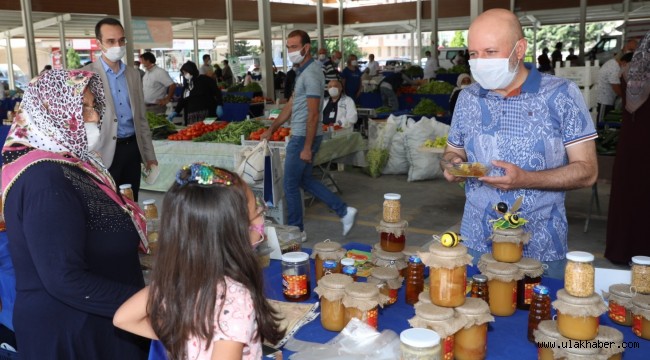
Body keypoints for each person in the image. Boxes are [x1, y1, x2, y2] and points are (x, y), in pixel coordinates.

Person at [1, 69, 150, 359]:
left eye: (94, 107)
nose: (94, 116)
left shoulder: (75, 166)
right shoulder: (45, 180)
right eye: (82, 107)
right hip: (74, 335)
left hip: (101, 324)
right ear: (49, 112)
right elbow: (64, 279)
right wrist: (153, 305)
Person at [442, 9, 598, 279]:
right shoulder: (467, 98)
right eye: (474, 54)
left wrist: (525, 178)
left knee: (537, 317)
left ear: (519, 49)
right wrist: (452, 164)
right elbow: (452, 151)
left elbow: (587, 171)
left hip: (540, 245)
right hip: (476, 241)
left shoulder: (561, 94)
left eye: (490, 52)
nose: (480, 62)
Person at [113, 163, 285, 359]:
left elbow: (123, 318)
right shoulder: (236, 298)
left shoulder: (175, 279)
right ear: (233, 232)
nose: (261, 221)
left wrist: (179, 338)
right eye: (258, 212)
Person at [260, 30, 357, 240]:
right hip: (301, 134)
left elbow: (314, 114)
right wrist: (272, 128)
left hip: (304, 136)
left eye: (294, 47)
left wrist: (306, 147)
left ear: (306, 48)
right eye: (288, 47)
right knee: (304, 180)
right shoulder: (302, 73)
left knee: (290, 184)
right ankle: (343, 210)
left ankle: (296, 230)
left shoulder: (312, 73)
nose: (290, 51)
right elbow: (291, 106)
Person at [84, 17, 157, 202]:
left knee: (133, 203)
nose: (118, 45)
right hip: (103, 152)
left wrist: (150, 156)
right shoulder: (87, 75)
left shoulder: (133, 75)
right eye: (111, 41)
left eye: (121, 40)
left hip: (132, 149)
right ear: (99, 43)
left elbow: (141, 119)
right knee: (107, 204)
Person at [605, 31, 650, 264]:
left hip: (632, 145)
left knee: (630, 195)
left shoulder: (630, 72)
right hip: (641, 144)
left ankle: (623, 249)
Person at [168, 61, 222, 125]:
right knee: (195, 132)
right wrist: (176, 111)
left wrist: (219, 104)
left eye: (185, 72)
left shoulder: (206, 80)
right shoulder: (187, 85)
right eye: (183, 73)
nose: (184, 75)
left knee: (207, 130)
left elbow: (217, 92)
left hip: (208, 114)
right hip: (192, 117)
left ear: (191, 71)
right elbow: (183, 100)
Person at [596, 53, 633, 123]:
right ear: (624, 62)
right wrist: (626, 99)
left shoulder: (613, 63)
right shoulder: (614, 68)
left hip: (607, 98)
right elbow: (616, 87)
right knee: (601, 121)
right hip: (603, 100)